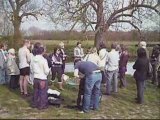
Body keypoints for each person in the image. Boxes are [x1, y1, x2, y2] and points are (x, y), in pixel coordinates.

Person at [30, 42, 50, 110]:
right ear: (42, 52)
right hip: (42, 78)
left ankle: (35, 104)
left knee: (35, 92)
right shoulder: (43, 60)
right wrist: (47, 73)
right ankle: (42, 105)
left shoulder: (33, 59)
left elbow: (31, 69)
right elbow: (46, 71)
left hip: (35, 78)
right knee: (43, 93)